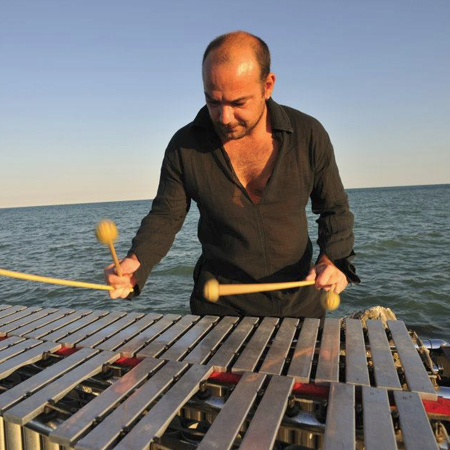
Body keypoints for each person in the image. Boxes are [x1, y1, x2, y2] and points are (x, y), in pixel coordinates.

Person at [104, 31, 359, 319]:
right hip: (219, 309)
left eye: (238, 103)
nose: (224, 118)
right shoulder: (184, 147)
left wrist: (331, 260)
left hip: (300, 304)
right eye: (213, 102)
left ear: (268, 85)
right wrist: (135, 264)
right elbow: (166, 216)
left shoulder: (308, 135)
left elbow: (334, 209)